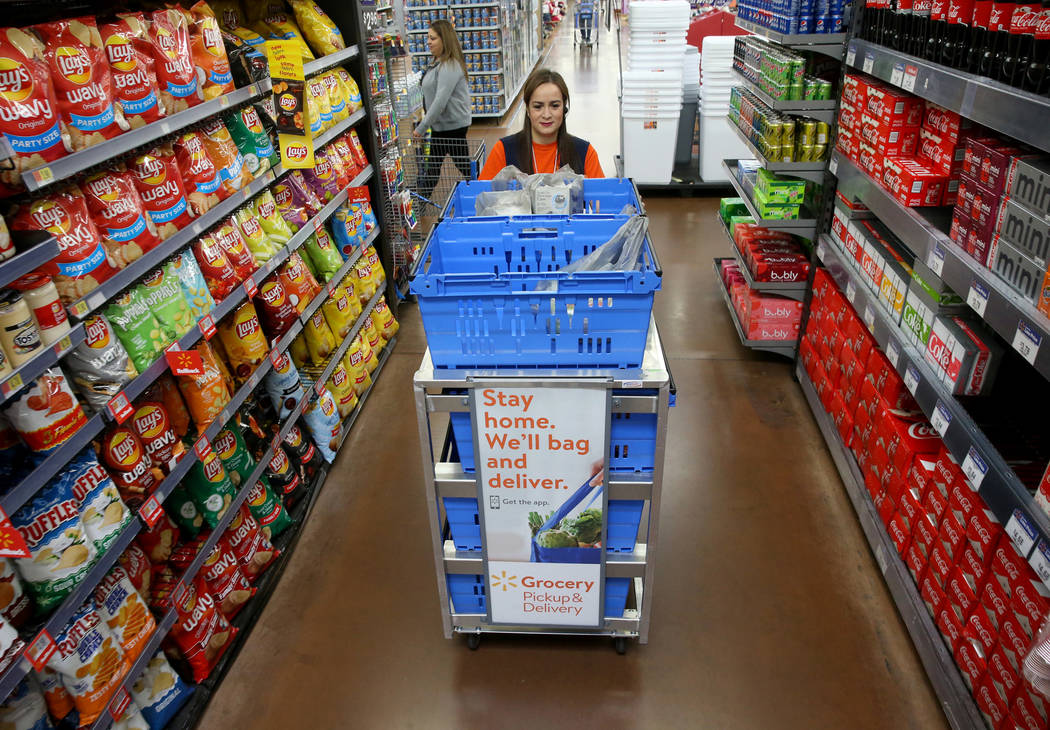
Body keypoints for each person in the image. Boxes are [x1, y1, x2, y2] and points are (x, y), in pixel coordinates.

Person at [479, 69, 604, 180]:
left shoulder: (584, 153)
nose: (546, 114)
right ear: (527, 109)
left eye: (554, 106)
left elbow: (603, 201)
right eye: (538, 107)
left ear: (564, 107)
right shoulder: (503, 151)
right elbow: (480, 198)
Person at [413, 20, 473, 201]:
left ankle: (487, 190)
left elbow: (440, 101)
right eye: (428, 38)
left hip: (452, 127)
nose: (428, 42)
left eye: (433, 38)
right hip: (442, 126)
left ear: (444, 40)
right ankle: (419, 204)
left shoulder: (450, 65)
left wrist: (421, 128)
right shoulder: (437, 63)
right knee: (436, 168)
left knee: (462, 165)